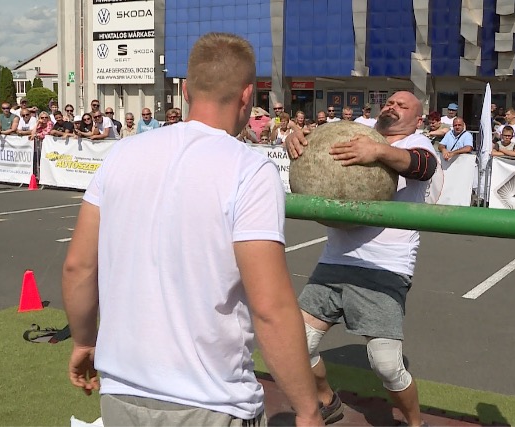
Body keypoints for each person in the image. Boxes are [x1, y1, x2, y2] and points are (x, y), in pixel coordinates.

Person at [61, 32, 322, 427]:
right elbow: (271, 308)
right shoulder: (249, 170)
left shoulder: (121, 155)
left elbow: (78, 267)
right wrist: (307, 409)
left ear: (185, 91)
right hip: (211, 399)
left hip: (123, 396)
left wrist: (83, 340)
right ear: (248, 96)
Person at [286, 90, 437, 426]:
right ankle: (327, 399)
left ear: (418, 118)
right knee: (296, 344)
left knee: (386, 365)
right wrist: (296, 140)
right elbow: (315, 139)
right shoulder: (357, 130)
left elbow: (423, 167)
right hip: (334, 262)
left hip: (384, 267)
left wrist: (379, 150)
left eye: (403, 105)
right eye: (390, 102)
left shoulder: (419, 143)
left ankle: (416, 423)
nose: (392, 107)